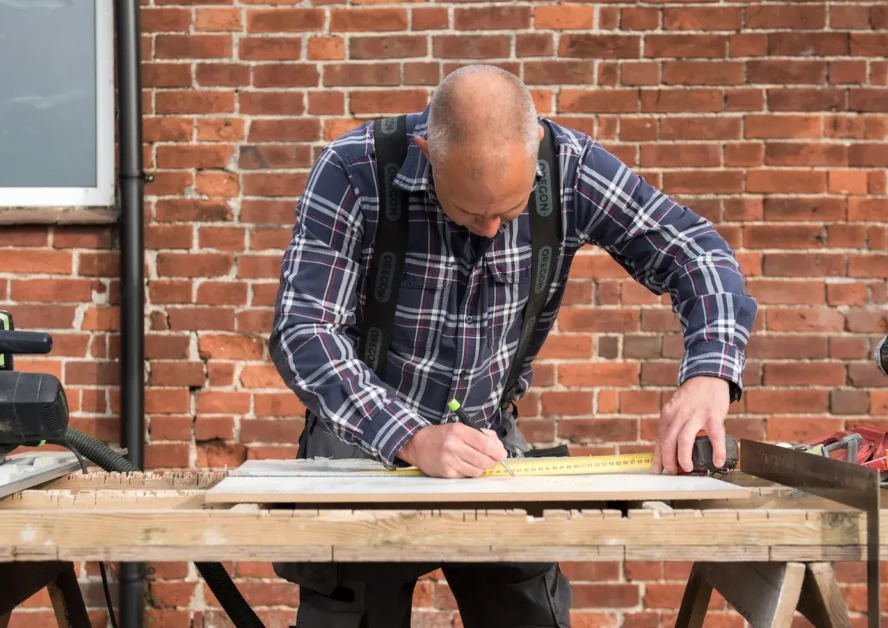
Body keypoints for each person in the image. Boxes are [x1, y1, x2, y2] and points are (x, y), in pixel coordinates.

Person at [268, 64, 758, 627]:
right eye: (471, 212)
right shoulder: (355, 169)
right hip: (362, 443)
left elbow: (695, 252)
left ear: (537, 152)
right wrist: (410, 436)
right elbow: (305, 330)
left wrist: (709, 373)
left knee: (527, 610)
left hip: (488, 445)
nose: (491, 231)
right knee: (349, 607)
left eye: (511, 210)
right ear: (428, 153)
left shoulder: (570, 168)